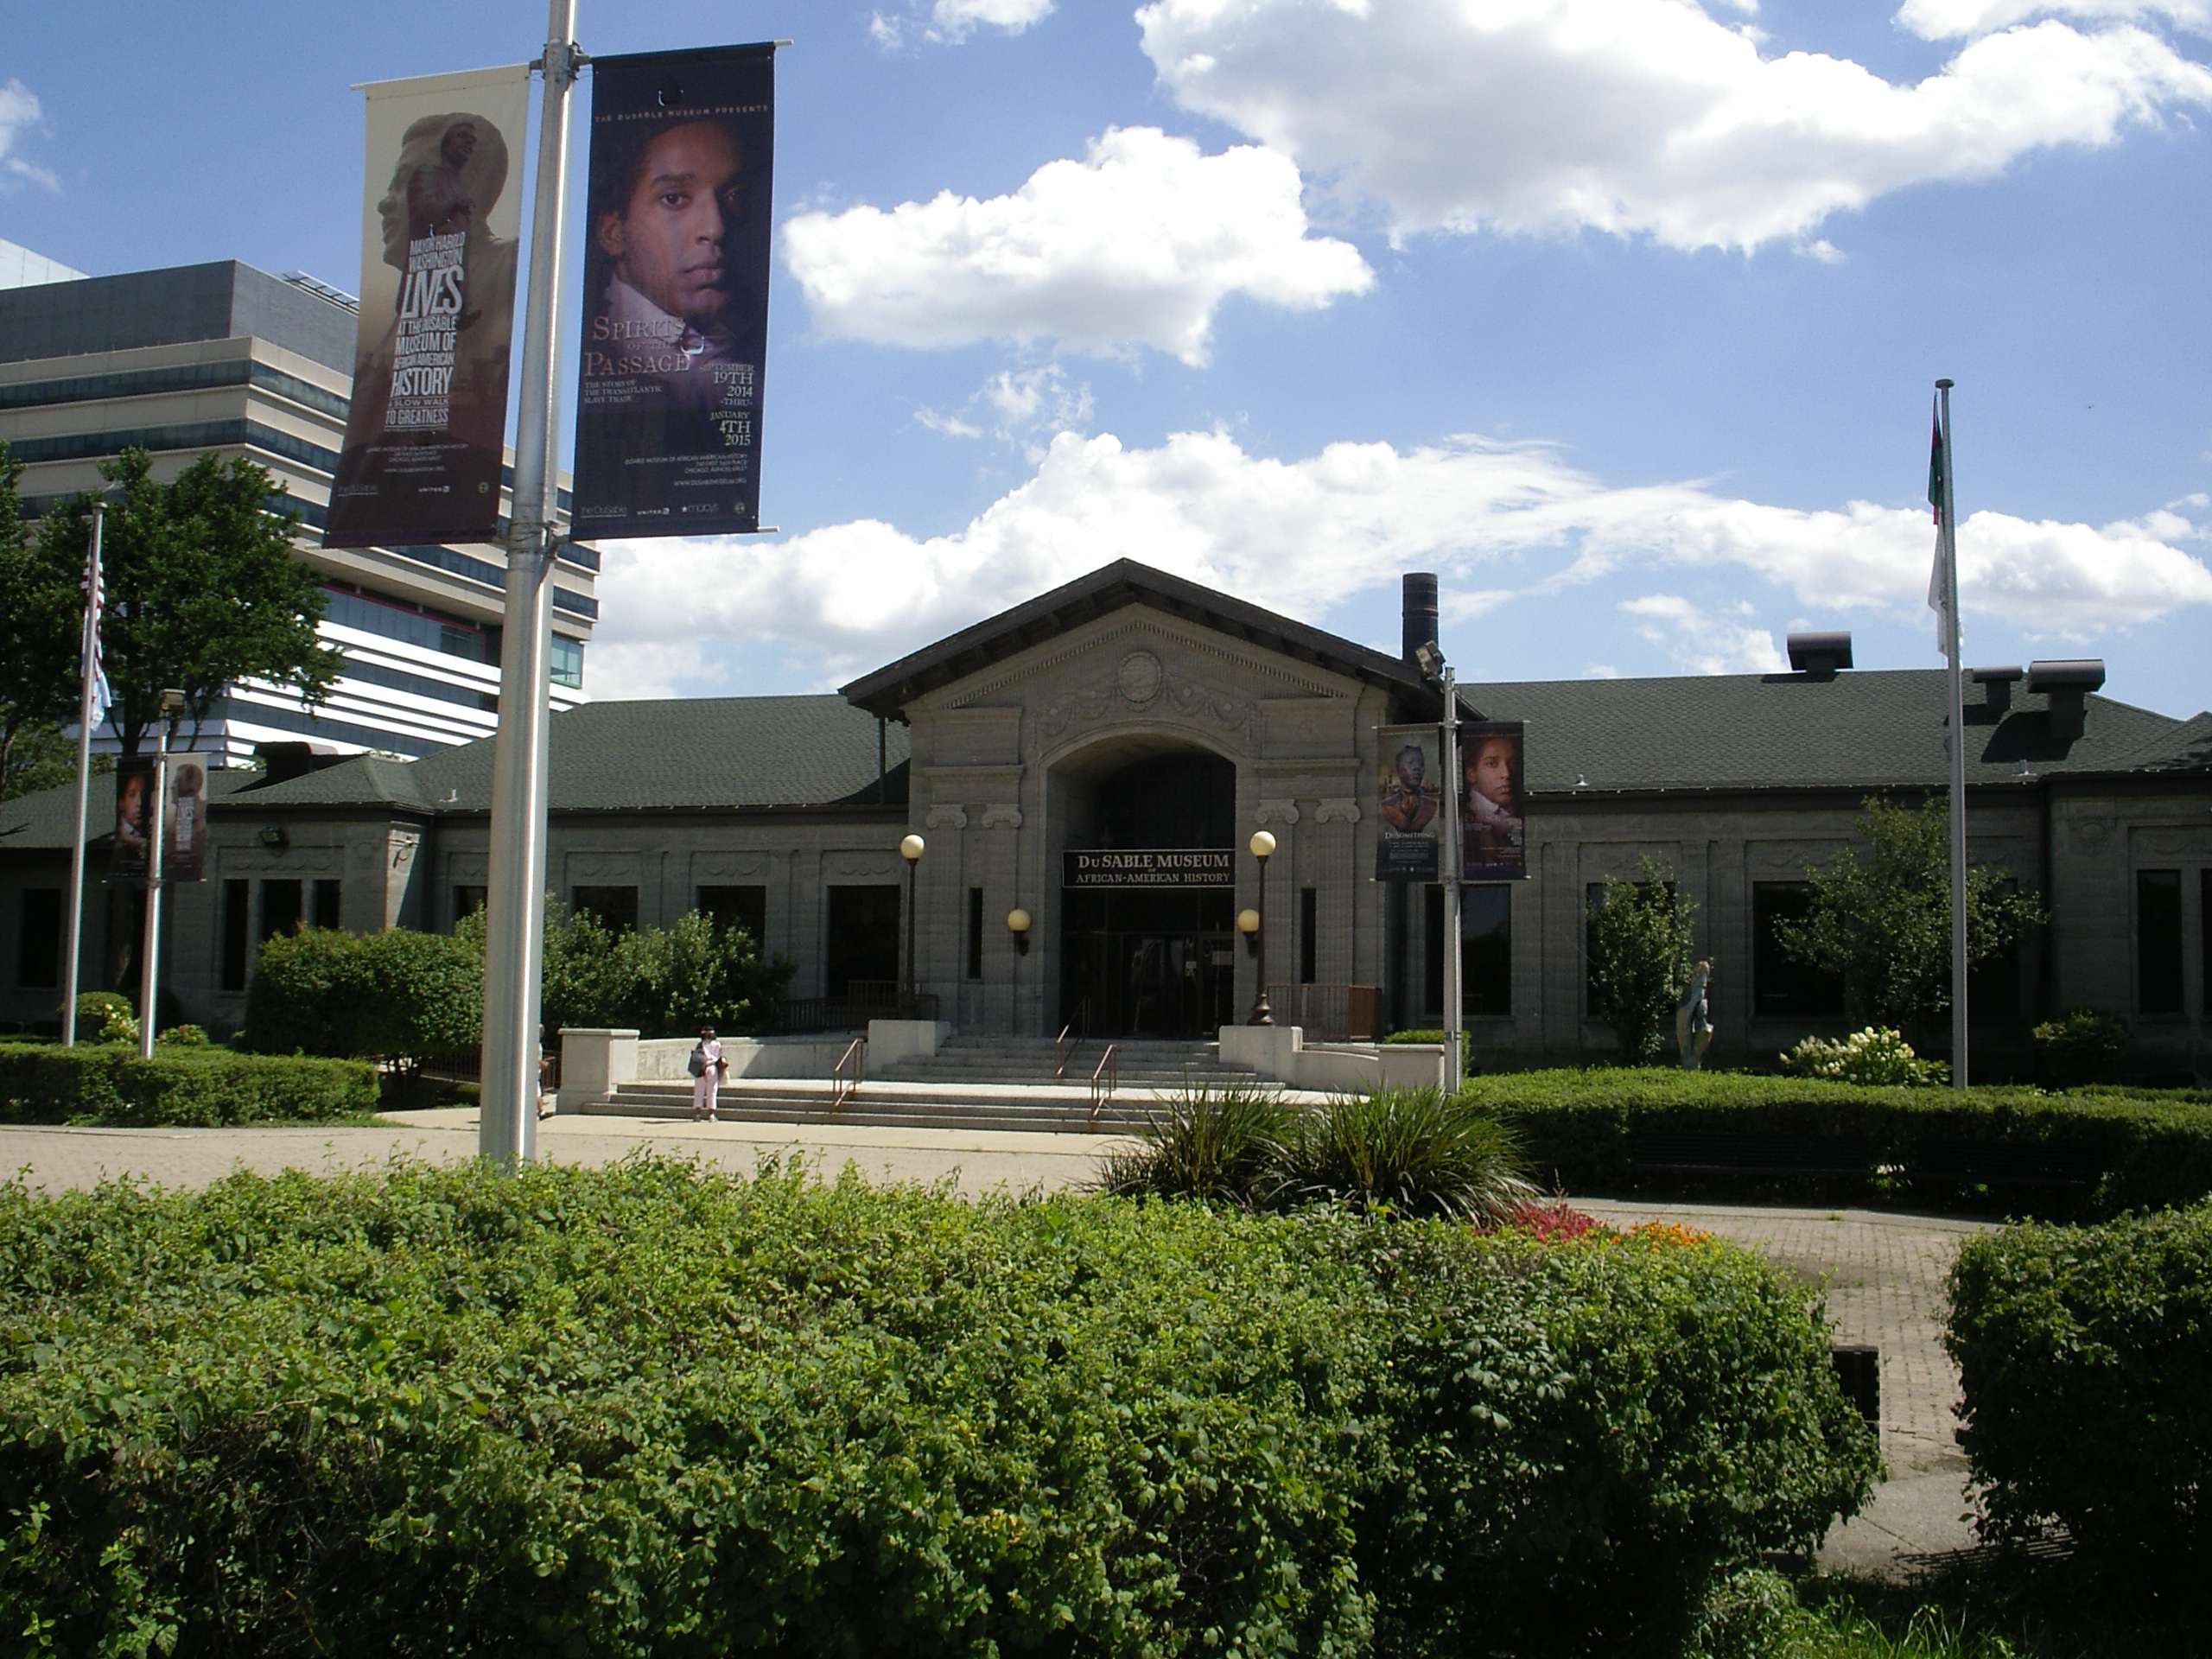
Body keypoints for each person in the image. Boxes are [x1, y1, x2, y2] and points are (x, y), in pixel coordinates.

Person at [328, 110, 518, 540]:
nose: (384, 202)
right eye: (397, 183)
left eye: (400, 181)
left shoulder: (507, 266)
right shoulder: (402, 320)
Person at [584, 118, 756, 410]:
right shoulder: (578, 350)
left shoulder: (748, 347)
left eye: (733, 195)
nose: (715, 228)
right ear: (613, 232)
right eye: (674, 198)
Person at [1463, 732, 1525, 873]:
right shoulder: (1473, 814)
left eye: (1511, 763)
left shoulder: (1510, 809)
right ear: (1472, 774)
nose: (1506, 774)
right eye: (1492, 764)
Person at [1376, 744, 1440, 835]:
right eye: (1410, 763)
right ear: (1398, 770)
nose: (1417, 767)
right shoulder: (1387, 806)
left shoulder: (1430, 805)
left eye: (1421, 763)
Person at [690, 1024, 726, 1122]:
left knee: (699, 1091)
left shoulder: (700, 1044)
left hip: (701, 1068)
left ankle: (697, 1114)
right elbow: (719, 1056)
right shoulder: (717, 1044)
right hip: (712, 1067)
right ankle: (711, 1115)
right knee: (712, 1091)